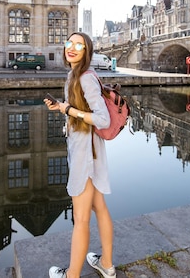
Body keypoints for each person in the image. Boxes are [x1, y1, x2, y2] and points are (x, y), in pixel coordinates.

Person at [45, 32, 116, 278]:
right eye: (69, 43)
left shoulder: (85, 78)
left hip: (86, 152)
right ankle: (106, 264)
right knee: (99, 207)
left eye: (79, 45)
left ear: (87, 52)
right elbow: (79, 111)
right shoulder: (74, 75)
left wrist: (70, 110)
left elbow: (103, 119)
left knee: (81, 217)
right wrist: (62, 108)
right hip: (89, 148)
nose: (72, 48)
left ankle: (72, 275)